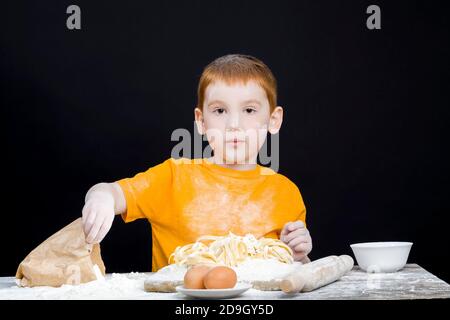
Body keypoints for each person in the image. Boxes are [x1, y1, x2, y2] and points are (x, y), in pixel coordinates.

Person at [81, 54, 313, 272]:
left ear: (273, 120)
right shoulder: (174, 176)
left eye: (249, 110)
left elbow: (296, 272)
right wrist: (102, 197)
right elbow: (111, 191)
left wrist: (299, 255)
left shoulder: (286, 193)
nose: (234, 123)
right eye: (220, 110)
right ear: (201, 121)